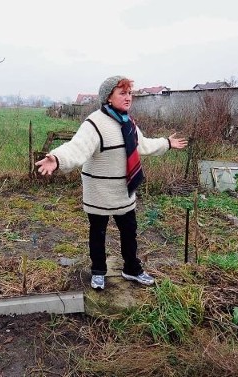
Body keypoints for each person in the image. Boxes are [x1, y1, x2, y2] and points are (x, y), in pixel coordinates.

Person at [35, 76, 188, 290]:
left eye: (129, 93)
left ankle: (132, 269)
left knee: (129, 231)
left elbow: (142, 145)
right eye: (122, 93)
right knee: (98, 232)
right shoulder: (94, 123)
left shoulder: (128, 123)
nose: (128, 98)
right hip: (98, 190)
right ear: (108, 97)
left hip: (123, 190)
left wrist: (166, 143)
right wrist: (57, 158)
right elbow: (77, 147)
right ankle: (98, 271)